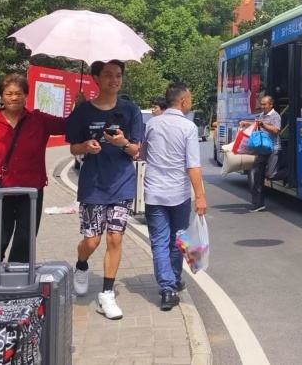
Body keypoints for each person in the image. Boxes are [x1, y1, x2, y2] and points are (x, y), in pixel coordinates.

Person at [0, 74, 66, 270]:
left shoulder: (38, 120)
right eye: (9, 94)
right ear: (1, 96)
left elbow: (69, 125)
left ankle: (17, 280)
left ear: (26, 95)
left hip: (30, 193)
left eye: (19, 93)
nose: (14, 98)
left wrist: (80, 106)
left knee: (25, 241)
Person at [65, 60, 142, 320]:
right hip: (93, 184)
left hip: (122, 183)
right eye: (108, 75)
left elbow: (136, 149)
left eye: (118, 75)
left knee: (115, 238)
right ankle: (81, 265)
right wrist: (87, 145)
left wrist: (123, 143)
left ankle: (107, 294)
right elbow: (73, 148)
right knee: (92, 240)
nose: (114, 80)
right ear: (96, 78)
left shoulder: (130, 110)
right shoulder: (83, 111)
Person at [141, 83, 207, 311]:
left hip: (154, 192)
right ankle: (175, 280)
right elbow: (193, 165)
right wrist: (200, 197)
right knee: (178, 238)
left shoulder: (152, 124)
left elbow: (143, 154)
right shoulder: (188, 127)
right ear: (182, 101)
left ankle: (167, 289)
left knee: (159, 241)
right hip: (179, 193)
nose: (191, 103)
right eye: (190, 99)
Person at [241, 95, 281, 212]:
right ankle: (258, 204)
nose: (262, 106)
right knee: (258, 177)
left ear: (271, 105)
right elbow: (256, 125)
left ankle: (287, 173)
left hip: (273, 148)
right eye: (261, 104)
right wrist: (247, 124)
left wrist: (263, 125)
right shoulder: (262, 115)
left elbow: (276, 130)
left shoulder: (275, 116)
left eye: (264, 104)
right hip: (262, 149)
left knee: (270, 175)